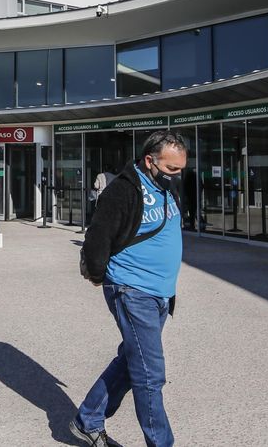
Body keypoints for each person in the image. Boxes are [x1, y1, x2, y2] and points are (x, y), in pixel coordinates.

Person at [75, 130, 187, 447]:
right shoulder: (122, 191)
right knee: (150, 374)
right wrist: (98, 273)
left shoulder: (166, 188)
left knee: (131, 359)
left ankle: (87, 419)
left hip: (161, 294)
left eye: (180, 169)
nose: (177, 175)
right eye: (171, 169)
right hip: (131, 290)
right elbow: (97, 236)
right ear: (149, 160)